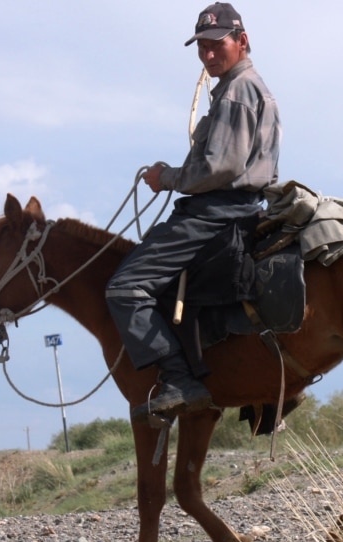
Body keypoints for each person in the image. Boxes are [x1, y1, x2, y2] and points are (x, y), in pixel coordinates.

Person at [105, 2, 281, 424]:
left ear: (241, 41)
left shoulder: (237, 92)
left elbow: (219, 167)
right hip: (240, 207)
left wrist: (167, 177)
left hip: (215, 212)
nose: (207, 55)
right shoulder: (246, 88)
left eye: (216, 44)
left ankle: (180, 380)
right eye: (201, 46)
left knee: (125, 288)